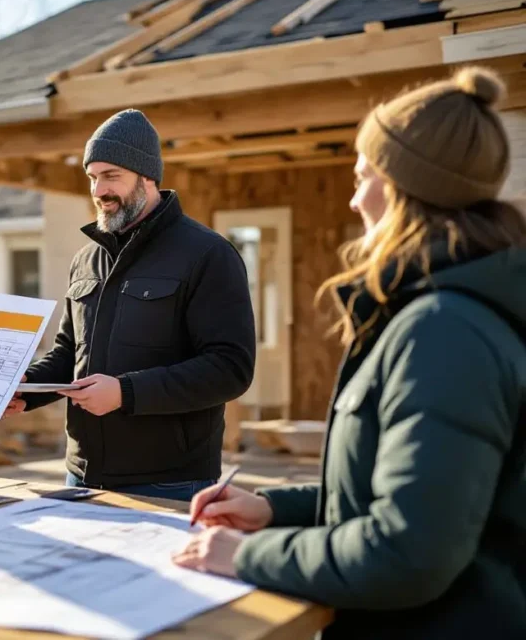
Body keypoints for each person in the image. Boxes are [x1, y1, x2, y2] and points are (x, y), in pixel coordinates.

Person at [172, 66, 526, 639]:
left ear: (406, 189)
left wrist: (243, 556)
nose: (356, 198)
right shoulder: (438, 315)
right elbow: (389, 496)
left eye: (365, 176)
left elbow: (407, 552)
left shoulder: (444, 332)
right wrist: (271, 510)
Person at [6, 108, 256, 503]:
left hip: (171, 482)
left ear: (147, 177)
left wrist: (126, 392)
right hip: (82, 475)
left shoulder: (207, 255)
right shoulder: (85, 260)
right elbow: (69, 354)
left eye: (111, 176)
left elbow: (230, 369)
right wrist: (27, 390)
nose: (99, 190)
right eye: (92, 177)